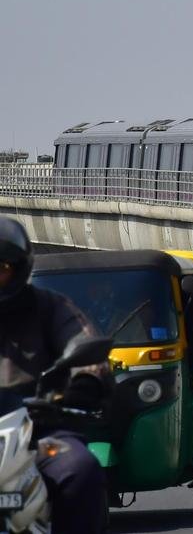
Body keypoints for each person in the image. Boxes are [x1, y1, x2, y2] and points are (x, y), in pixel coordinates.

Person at [0, 217, 108, 533]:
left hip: (40, 433)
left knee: (80, 469)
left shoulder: (49, 307)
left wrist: (86, 381)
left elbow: (81, 341)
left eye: (1, 267)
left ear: (19, 268)